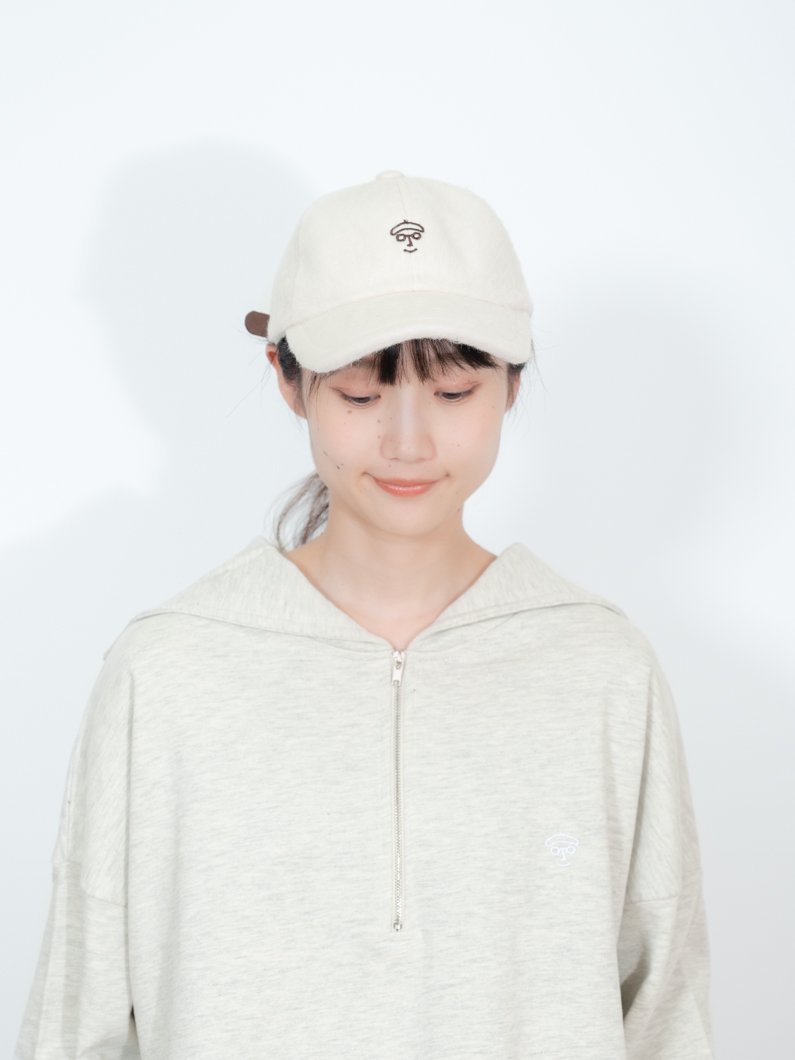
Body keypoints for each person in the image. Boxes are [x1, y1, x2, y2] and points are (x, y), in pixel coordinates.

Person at [15, 171, 715, 1059]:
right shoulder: (166, 673)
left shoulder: (602, 670)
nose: (408, 442)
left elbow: (667, 1022)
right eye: (359, 394)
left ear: (511, 382)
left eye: (453, 393)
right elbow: (76, 1024)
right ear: (287, 379)